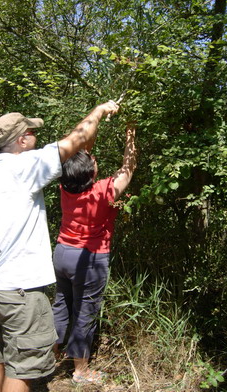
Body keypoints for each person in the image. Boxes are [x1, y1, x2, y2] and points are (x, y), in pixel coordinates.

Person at [0, 100, 119, 392]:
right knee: (23, 369)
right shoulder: (25, 167)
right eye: (32, 133)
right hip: (21, 291)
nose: (37, 138)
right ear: (21, 139)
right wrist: (99, 111)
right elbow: (77, 139)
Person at [52, 124, 136, 384]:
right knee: (85, 311)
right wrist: (131, 134)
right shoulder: (103, 191)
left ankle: (51, 354)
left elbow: (82, 155)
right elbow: (128, 168)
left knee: (61, 304)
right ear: (90, 171)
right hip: (88, 259)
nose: (93, 158)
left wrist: (96, 122)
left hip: (62, 253)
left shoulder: (66, 187)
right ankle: (80, 370)